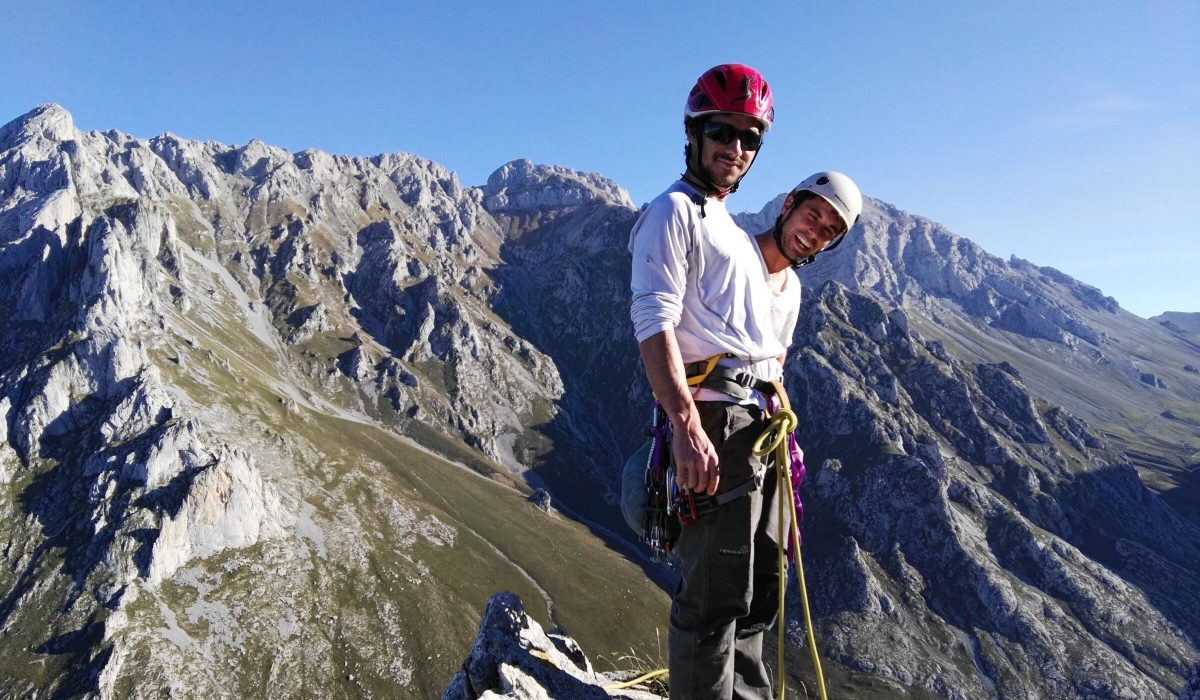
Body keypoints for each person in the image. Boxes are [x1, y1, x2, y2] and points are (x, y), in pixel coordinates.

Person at [628, 63, 863, 699]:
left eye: (748, 138)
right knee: (714, 594)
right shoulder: (673, 211)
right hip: (714, 422)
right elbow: (654, 321)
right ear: (696, 134)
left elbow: (766, 363)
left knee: (762, 588)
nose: (735, 148)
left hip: (756, 432)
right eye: (723, 133)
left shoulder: (725, 227)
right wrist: (683, 427)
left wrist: (788, 452)